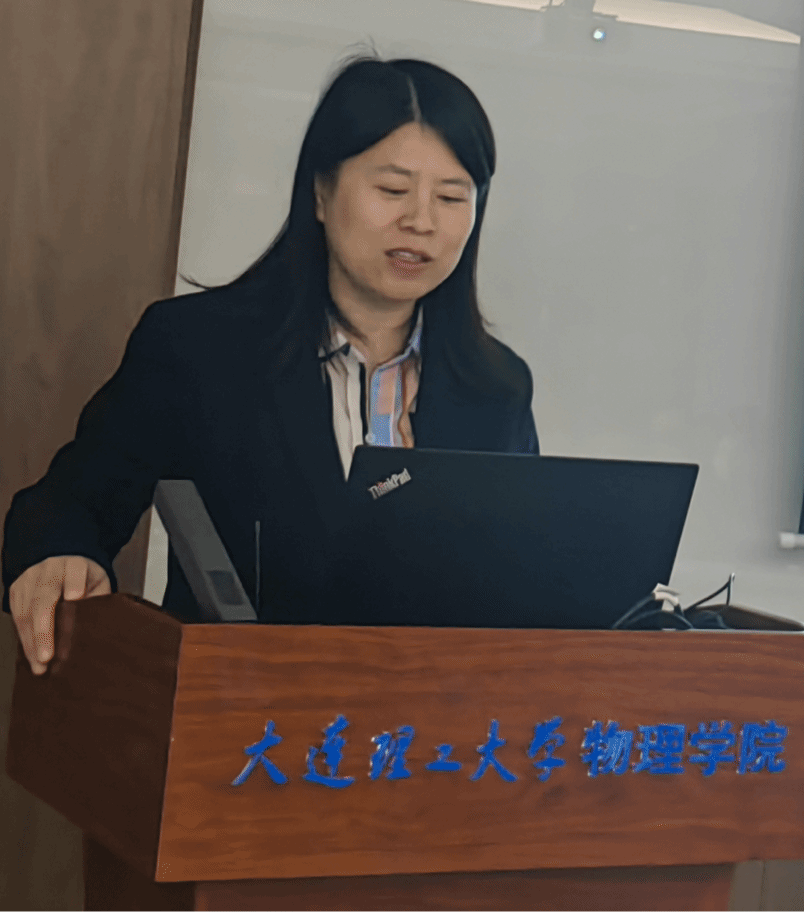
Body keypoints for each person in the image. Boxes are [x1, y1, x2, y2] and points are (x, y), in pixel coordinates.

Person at [4, 56, 537, 671]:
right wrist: (59, 557)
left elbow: (519, 573)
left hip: (428, 717)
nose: (421, 221)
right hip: (234, 706)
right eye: (392, 191)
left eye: (451, 197)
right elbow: (71, 505)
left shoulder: (496, 389)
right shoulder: (198, 349)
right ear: (320, 192)